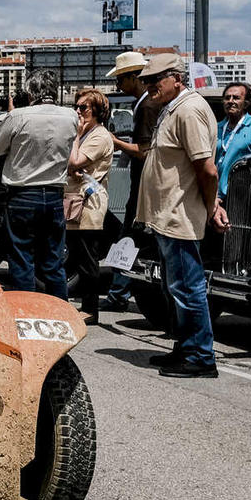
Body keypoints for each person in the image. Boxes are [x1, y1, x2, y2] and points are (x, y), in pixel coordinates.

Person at [134, 52, 226, 378]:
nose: (149, 86)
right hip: (168, 214)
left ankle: (201, 356)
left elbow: (207, 169)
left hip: (180, 215)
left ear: (177, 78)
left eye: (155, 80)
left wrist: (212, 205)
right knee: (177, 288)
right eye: (146, 81)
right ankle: (186, 348)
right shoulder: (173, 109)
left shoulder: (189, 110)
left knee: (189, 288)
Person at [0, 68, 76, 298]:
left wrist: (9, 114)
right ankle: (60, 314)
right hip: (55, 194)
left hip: (22, 195)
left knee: (22, 259)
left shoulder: (19, 116)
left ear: (30, 92)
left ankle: (28, 312)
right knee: (53, 262)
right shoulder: (71, 116)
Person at [103, 50, 155, 310]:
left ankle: (118, 292)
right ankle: (120, 290)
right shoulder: (146, 104)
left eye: (120, 80)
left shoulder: (145, 106)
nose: (119, 86)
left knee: (128, 238)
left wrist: (115, 142)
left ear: (134, 78)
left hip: (143, 185)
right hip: (144, 184)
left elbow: (143, 151)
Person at [65, 88, 115, 323]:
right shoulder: (88, 133)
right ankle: (83, 306)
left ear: (97, 111)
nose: (78, 111)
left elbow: (74, 161)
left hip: (89, 204)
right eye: (77, 106)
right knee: (75, 256)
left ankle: (91, 310)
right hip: (75, 201)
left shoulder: (99, 136)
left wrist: (75, 137)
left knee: (86, 259)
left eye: (83, 107)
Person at [215, 82, 251, 200]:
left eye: (236, 98)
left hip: (241, 199)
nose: (230, 101)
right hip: (214, 197)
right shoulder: (216, 128)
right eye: (227, 98)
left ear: (246, 103)